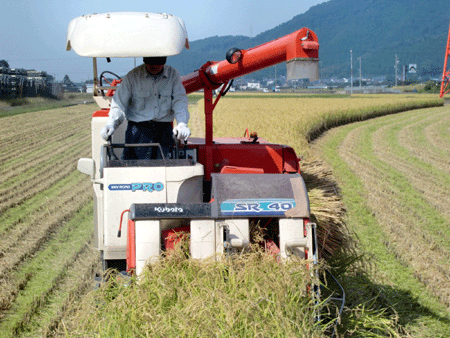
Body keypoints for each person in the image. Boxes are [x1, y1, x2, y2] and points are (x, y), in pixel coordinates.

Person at [100, 56, 190, 160]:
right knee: (134, 169)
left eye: (158, 65)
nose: (154, 67)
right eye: (151, 64)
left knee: (164, 170)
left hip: (163, 130)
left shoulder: (172, 75)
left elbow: (180, 100)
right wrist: (111, 123)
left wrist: (182, 124)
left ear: (164, 62)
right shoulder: (133, 76)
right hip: (138, 131)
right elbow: (119, 104)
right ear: (145, 61)